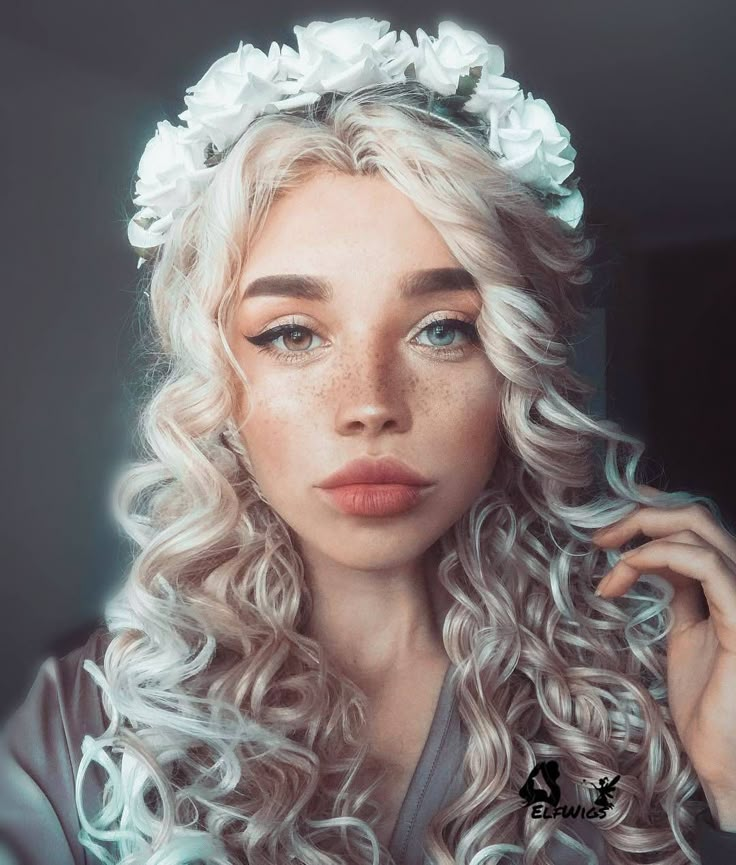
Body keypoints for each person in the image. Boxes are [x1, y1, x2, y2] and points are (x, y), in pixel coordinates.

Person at [2, 16, 736, 865]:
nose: (370, 405)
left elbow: (598, 810)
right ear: (216, 381)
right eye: (291, 333)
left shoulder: (608, 708)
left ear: (511, 369)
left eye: (440, 330)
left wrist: (726, 787)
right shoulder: (92, 725)